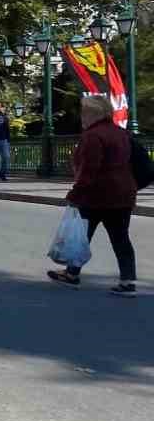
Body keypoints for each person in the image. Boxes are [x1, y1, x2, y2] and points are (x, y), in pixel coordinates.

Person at [48, 94, 136, 296]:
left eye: (84, 112)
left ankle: (71, 275)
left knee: (81, 235)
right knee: (121, 239)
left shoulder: (92, 136)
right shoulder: (121, 133)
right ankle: (128, 280)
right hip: (123, 194)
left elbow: (90, 169)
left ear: (92, 114)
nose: (81, 116)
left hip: (97, 195)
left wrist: (74, 193)